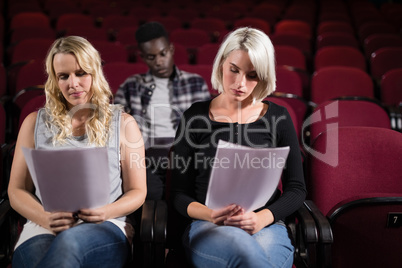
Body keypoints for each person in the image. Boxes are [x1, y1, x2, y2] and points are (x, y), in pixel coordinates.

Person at [170, 27, 307, 267]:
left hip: (265, 225)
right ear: (222, 63)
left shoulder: (279, 117)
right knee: (248, 258)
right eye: (233, 70)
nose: (240, 83)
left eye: (252, 75)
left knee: (259, 259)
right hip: (209, 223)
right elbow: (178, 194)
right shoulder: (195, 116)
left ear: (263, 77)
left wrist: (263, 218)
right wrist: (210, 214)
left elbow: (296, 188)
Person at [8, 36, 147, 268]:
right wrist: (45, 218)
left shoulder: (124, 124)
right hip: (43, 225)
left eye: (81, 73)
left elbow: (137, 191)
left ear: (94, 73)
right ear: (55, 80)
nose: (73, 83)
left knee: (70, 243)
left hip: (105, 223)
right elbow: (16, 190)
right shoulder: (34, 123)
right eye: (63, 76)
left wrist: (105, 212)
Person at [114, 21, 211, 200]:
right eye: (151, 57)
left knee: (188, 190)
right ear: (142, 57)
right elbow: (115, 127)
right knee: (150, 191)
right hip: (144, 156)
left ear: (171, 50)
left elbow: (206, 127)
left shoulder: (195, 83)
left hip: (184, 156)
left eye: (163, 54)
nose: (159, 62)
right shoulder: (131, 85)